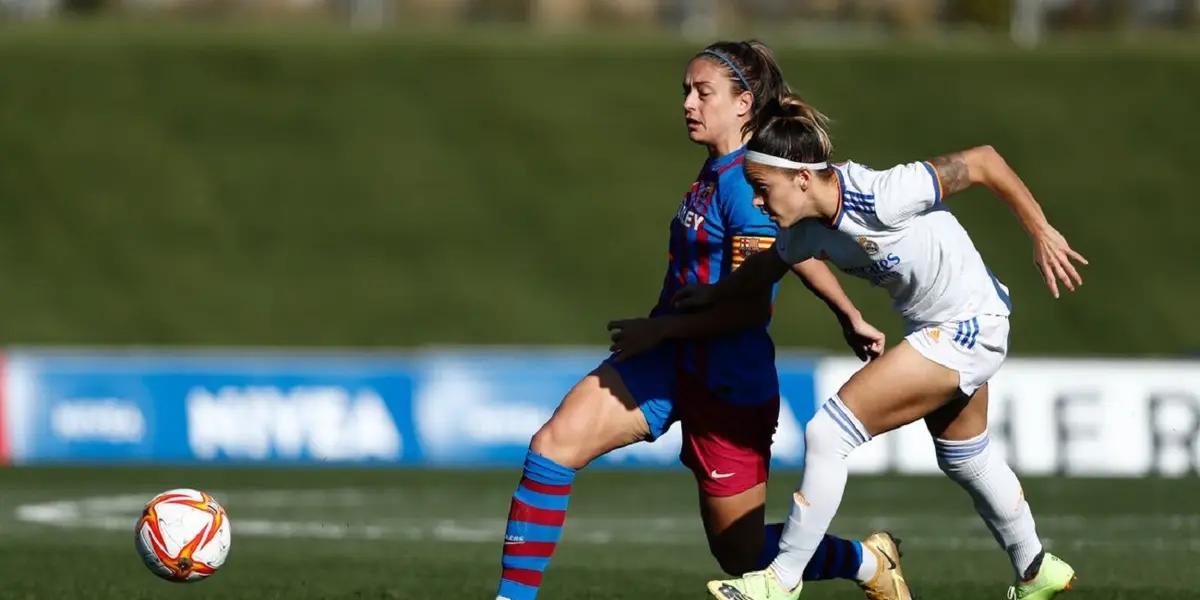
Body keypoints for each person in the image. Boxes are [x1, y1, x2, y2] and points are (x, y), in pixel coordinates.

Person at [493, 41, 912, 600]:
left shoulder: (744, 183)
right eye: (686, 91)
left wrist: (661, 328)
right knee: (552, 449)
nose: (688, 103)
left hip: (726, 377)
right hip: (667, 360)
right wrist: (847, 312)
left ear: (743, 104)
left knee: (740, 553)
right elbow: (789, 250)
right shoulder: (722, 169)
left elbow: (748, 305)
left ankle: (867, 561)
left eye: (702, 92)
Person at [683, 97, 1088, 600]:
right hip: (938, 327)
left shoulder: (882, 195)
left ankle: (781, 581)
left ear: (802, 179)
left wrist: (1040, 230)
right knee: (965, 457)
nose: (758, 202)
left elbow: (984, 161)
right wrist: (709, 297)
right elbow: (765, 268)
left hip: (968, 326)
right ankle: (1036, 568)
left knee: (829, 433)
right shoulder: (802, 234)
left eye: (762, 189)